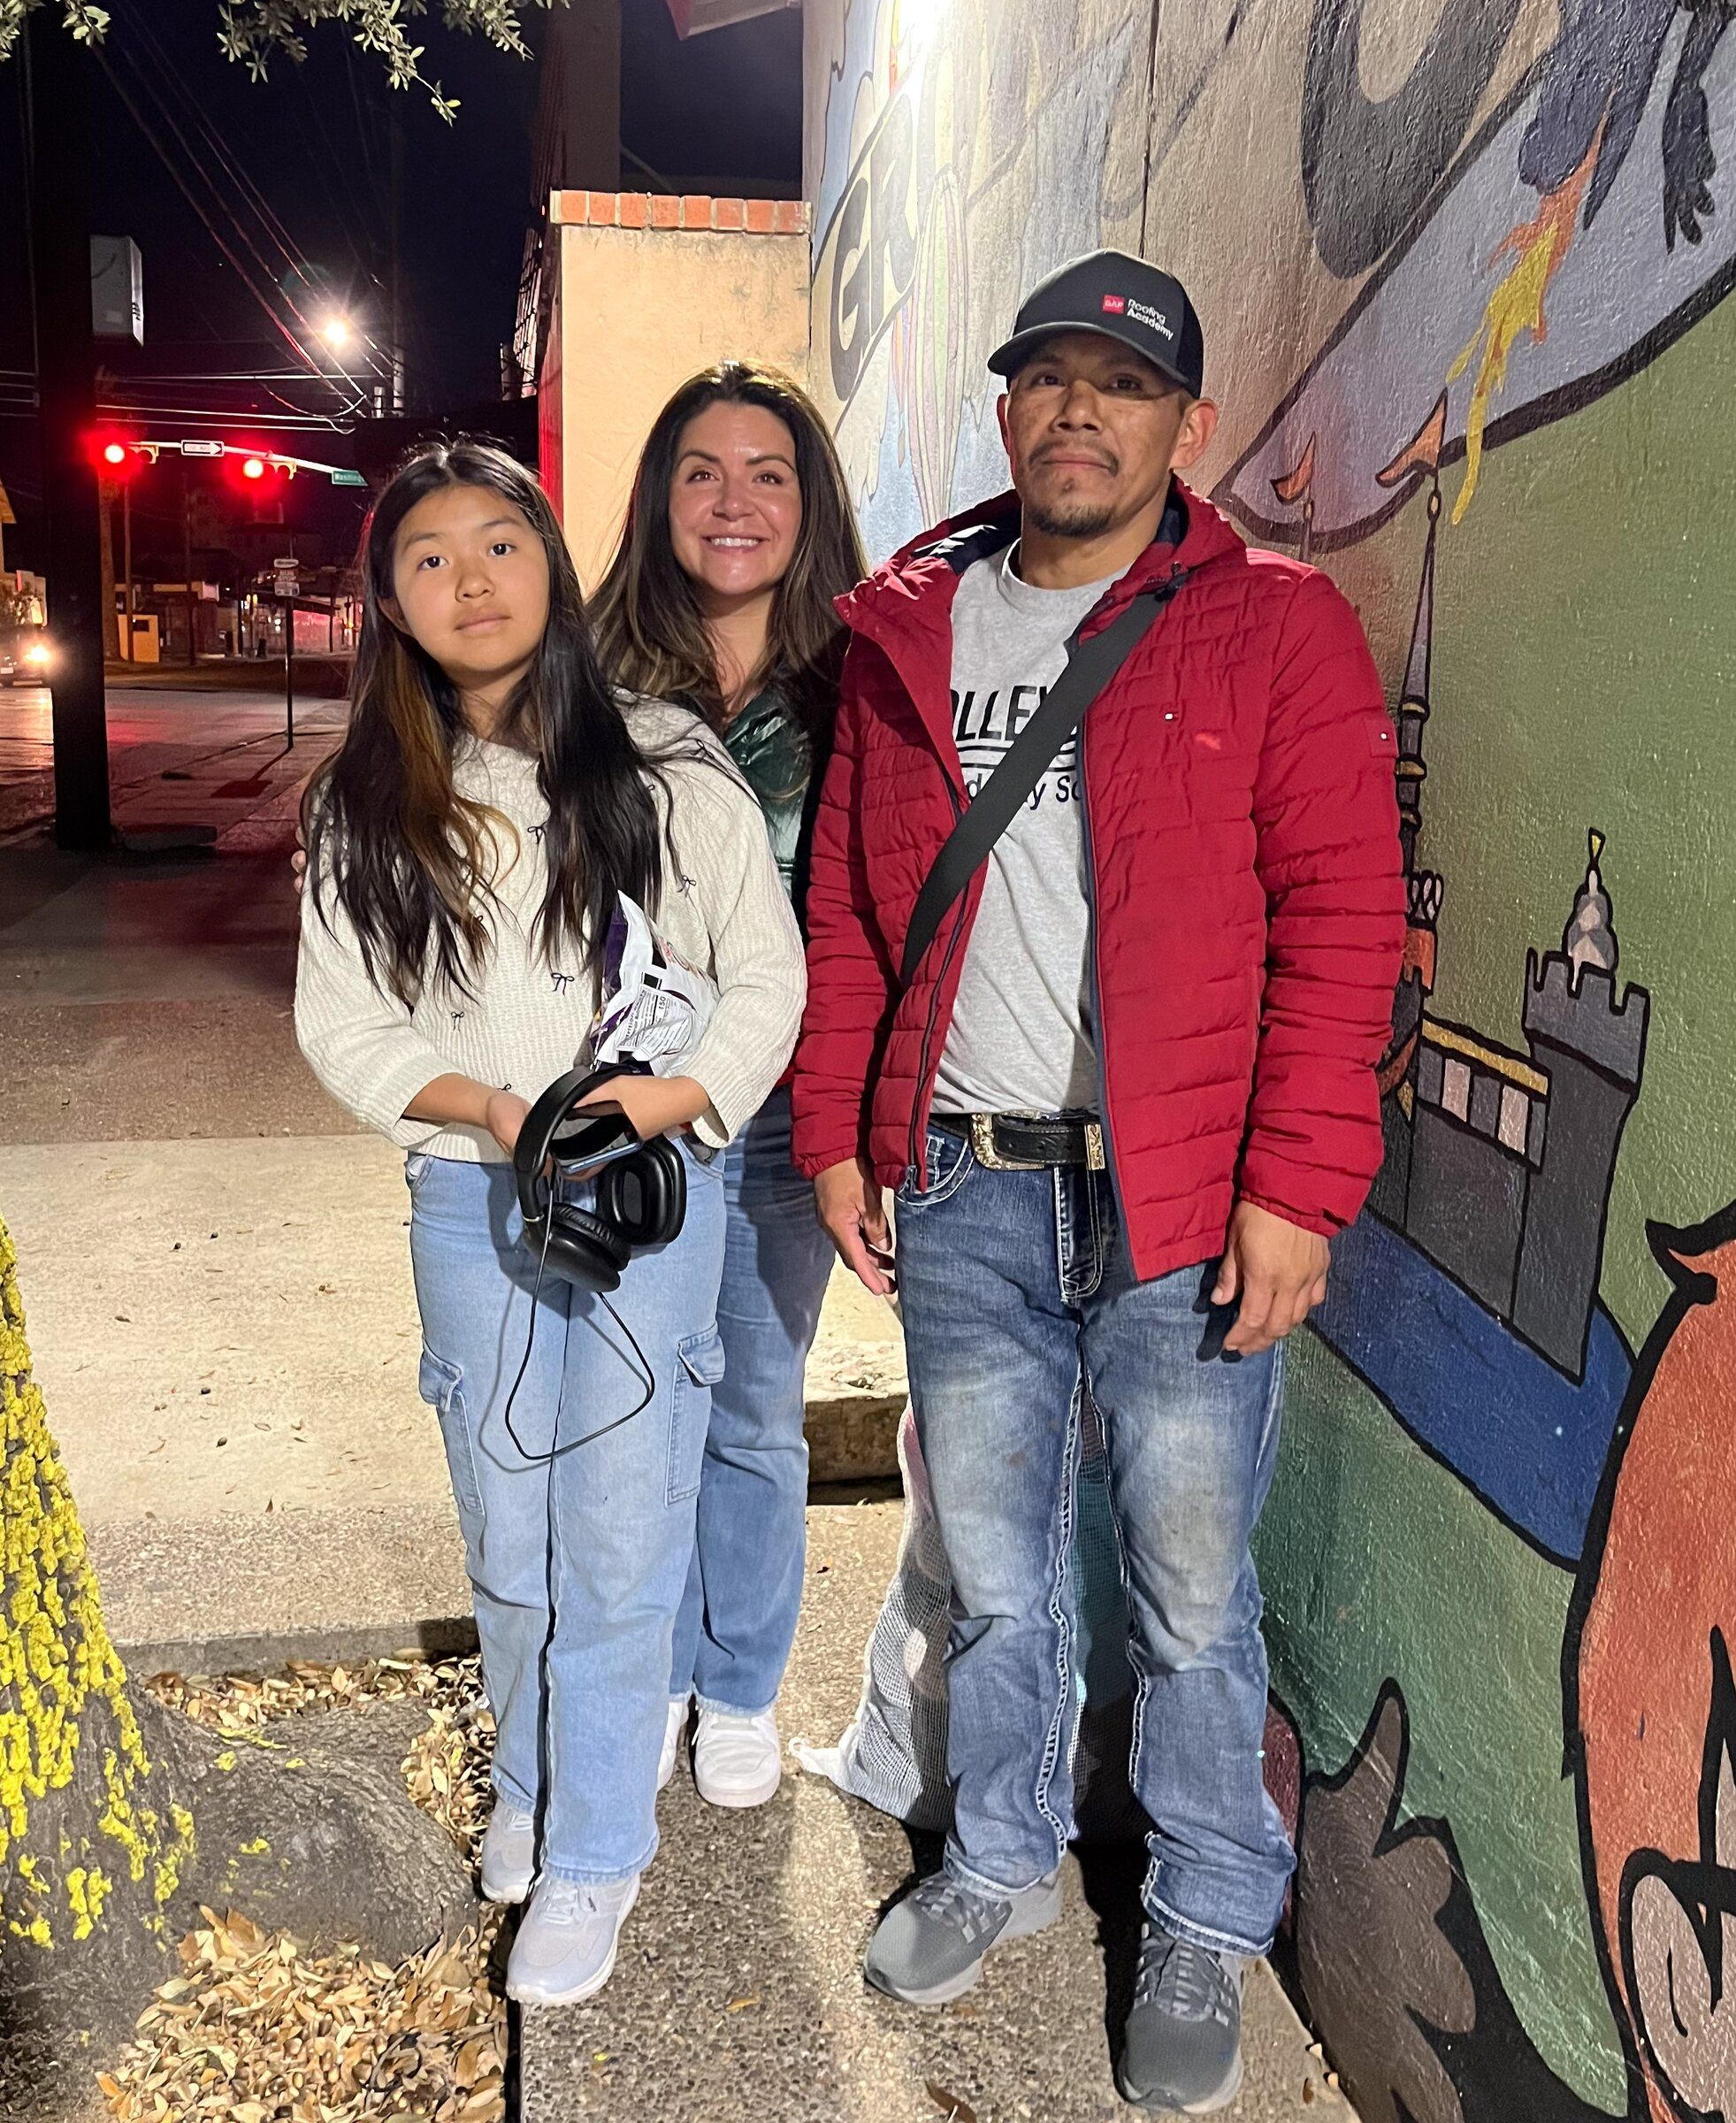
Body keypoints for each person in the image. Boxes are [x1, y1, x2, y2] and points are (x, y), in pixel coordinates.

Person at [792, 251, 1403, 2109]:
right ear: (1008, 408)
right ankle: (996, 1858)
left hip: (1187, 1207)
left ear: (1183, 428)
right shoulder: (906, 628)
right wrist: (835, 1130)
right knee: (989, 1570)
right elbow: (847, 912)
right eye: (1047, 379)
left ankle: (1207, 1914)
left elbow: (1342, 919)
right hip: (966, 1192)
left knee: (1192, 1588)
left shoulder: (1272, 625)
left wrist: (1297, 1185)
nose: (1079, 412)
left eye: (1120, 387)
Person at [294, 440, 805, 2006]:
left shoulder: (662, 767)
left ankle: (595, 1854)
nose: (472, 581)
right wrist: (497, 1115)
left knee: (622, 1521)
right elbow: (347, 1023)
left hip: (648, 1202)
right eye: (430, 557)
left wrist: (657, 1104)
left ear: (552, 565)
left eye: (501, 544)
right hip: (472, 1202)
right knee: (507, 1530)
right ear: (390, 600)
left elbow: (762, 980)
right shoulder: (369, 799)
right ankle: (529, 1778)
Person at [588, 363, 868, 1807]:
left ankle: (740, 1678)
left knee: (754, 1405)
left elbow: (885, 906)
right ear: (660, 497)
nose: (735, 500)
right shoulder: (591, 678)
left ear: (808, 503)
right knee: (636, 1409)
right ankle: (649, 1673)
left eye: (769, 472)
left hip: (781, 1119)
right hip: (632, 1109)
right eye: (703, 469)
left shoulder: (860, 683)